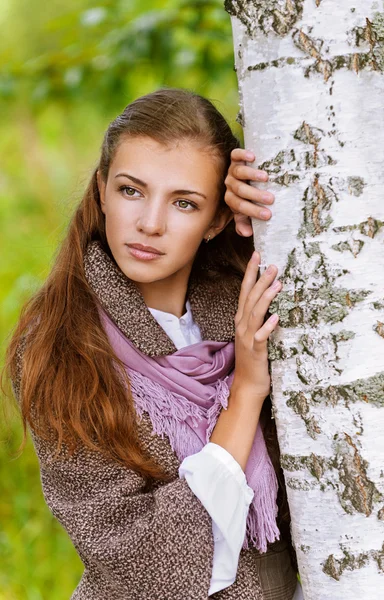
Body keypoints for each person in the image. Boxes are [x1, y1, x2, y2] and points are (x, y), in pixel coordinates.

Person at [3, 88, 303, 599]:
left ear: (215, 220)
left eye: (184, 202)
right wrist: (247, 390)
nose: (150, 224)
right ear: (101, 189)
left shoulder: (251, 306)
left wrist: (270, 224)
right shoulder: (60, 347)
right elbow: (142, 563)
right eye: (131, 190)